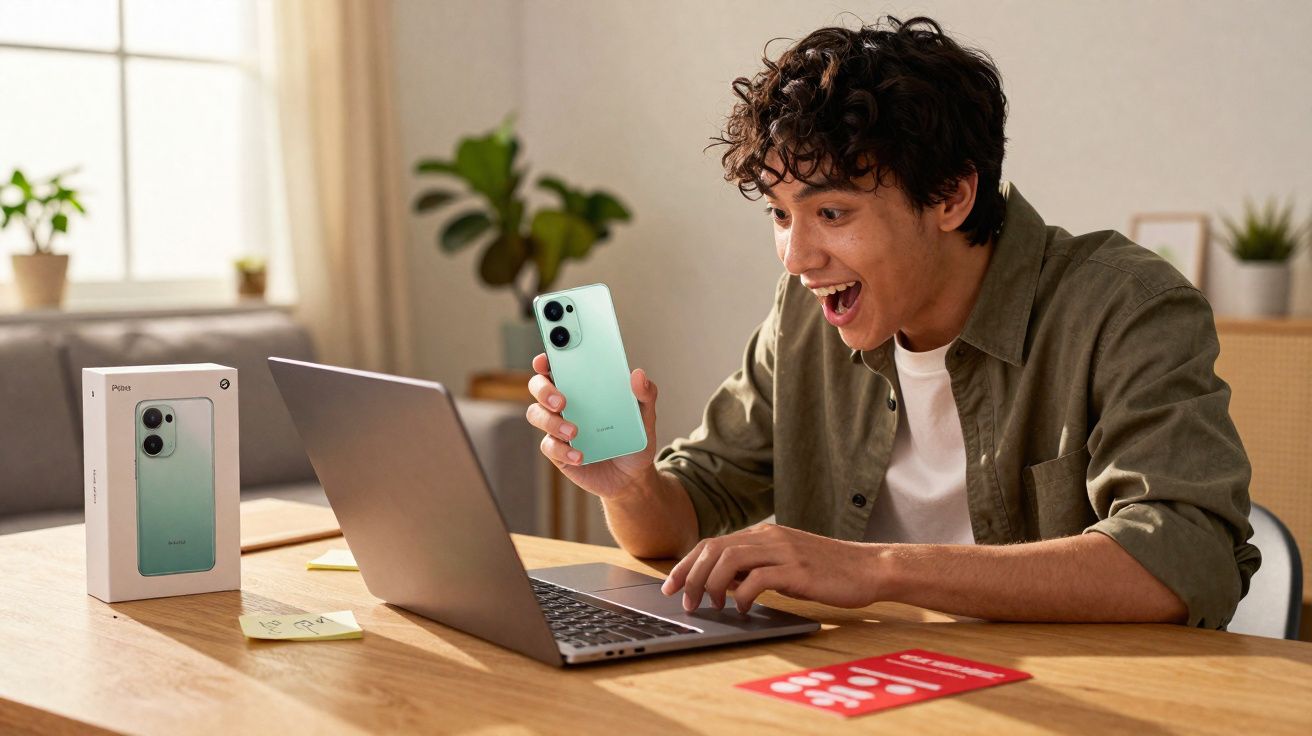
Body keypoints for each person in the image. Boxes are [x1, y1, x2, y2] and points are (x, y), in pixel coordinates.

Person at [523, 16, 1258, 629]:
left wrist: (874, 568)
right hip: (860, 692)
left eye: (832, 213)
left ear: (950, 196)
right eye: (780, 215)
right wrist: (631, 488)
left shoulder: (1124, 306)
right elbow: (689, 510)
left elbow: (1184, 556)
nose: (797, 256)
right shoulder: (805, 318)